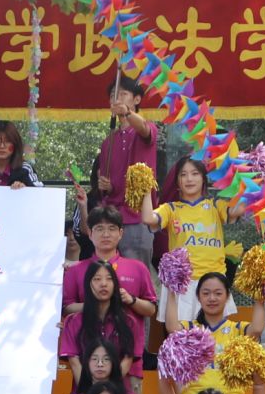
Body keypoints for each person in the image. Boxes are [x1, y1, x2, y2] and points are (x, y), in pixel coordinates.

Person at [157, 272, 263, 394]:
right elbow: (171, 327)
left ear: (228, 297)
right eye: (206, 293)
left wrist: (259, 293)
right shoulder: (190, 329)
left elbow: (257, 328)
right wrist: (172, 291)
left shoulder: (238, 329)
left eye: (218, 293)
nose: (212, 298)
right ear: (198, 298)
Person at [80, 75, 159, 264]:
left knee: (135, 272)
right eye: (113, 96)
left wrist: (127, 113)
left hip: (137, 217)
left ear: (137, 99)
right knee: (107, 271)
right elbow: (108, 186)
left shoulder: (145, 129)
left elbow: (144, 130)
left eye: (123, 94)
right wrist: (106, 186)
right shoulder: (108, 142)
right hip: (111, 219)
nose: (116, 99)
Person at [147, 158, 231, 326]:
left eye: (195, 173)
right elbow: (148, 218)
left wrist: (244, 180)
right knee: (180, 336)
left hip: (213, 283)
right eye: (183, 174)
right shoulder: (170, 208)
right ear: (177, 181)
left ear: (203, 179)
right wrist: (144, 190)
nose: (189, 179)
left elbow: (238, 210)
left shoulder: (215, 205)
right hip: (182, 284)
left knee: (215, 336)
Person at [60, 204, 155, 351]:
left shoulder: (138, 268)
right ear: (90, 233)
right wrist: (95, 304)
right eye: (99, 229)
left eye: (111, 229)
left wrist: (131, 300)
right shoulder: (75, 270)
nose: (106, 234)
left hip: (129, 353)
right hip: (87, 353)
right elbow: (67, 308)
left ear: (120, 233)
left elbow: (150, 309)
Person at [60, 259, 141, 385]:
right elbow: (75, 363)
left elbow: (127, 359)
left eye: (109, 279)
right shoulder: (73, 322)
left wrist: (107, 390)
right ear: (88, 284)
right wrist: (91, 391)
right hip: (84, 391)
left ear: (115, 285)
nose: (103, 284)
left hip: (117, 391)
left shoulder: (128, 323)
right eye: (97, 279)